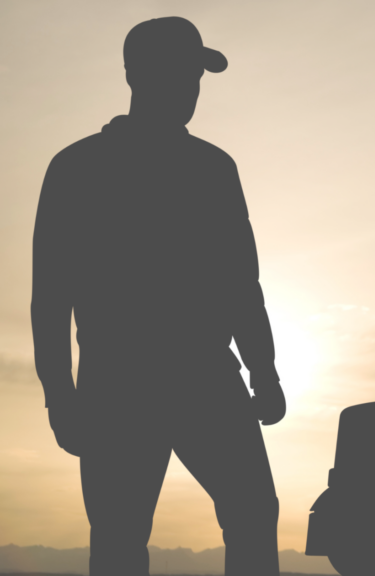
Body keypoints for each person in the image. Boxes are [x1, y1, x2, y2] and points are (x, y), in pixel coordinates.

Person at [31, 17, 286, 576]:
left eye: (196, 77)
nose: (192, 89)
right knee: (122, 538)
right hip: (123, 385)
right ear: (136, 75)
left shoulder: (214, 168)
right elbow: (50, 295)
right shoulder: (77, 168)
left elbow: (241, 283)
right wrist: (59, 395)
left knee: (250, 512)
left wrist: (263, 373)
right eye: (182, 74)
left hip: (198, 380)